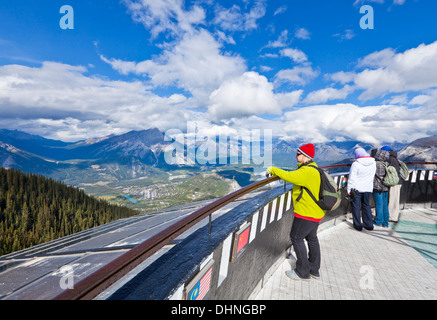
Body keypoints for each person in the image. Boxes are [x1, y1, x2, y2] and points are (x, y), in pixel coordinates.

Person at [266, 143, 324, 281]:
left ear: (305, 156)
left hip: (306, 212)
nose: (295, 156)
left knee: (297, 238)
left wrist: (272, 169)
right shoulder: (314, 168)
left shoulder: (307, 171)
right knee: (312, 238)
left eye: (298, 154)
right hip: (316, 212)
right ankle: (314, 270)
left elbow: (290, 176)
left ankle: (302, 272)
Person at [347, 148, 376, 231]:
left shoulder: (356, 164)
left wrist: (349, 190)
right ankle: (369, 225)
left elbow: (352, 178)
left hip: (357, 189)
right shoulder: (373, 163)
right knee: (366, 205)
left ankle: (357, 225)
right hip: (368, 188)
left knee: (356, 206)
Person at [371, 147, 391, 227]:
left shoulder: (376, 164)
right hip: (386, 187)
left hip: (378, 187)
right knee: (385, 204)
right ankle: (385, 222)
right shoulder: (387, 163)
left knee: (379, 204)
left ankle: (378, 221)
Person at [382, 146, 402, 223]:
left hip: (395, 183)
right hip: (397, 182)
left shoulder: (390, 159)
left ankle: (392, 217)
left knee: (393, 200)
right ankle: (392, 216)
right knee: (394, 200)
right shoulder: (394, 158)